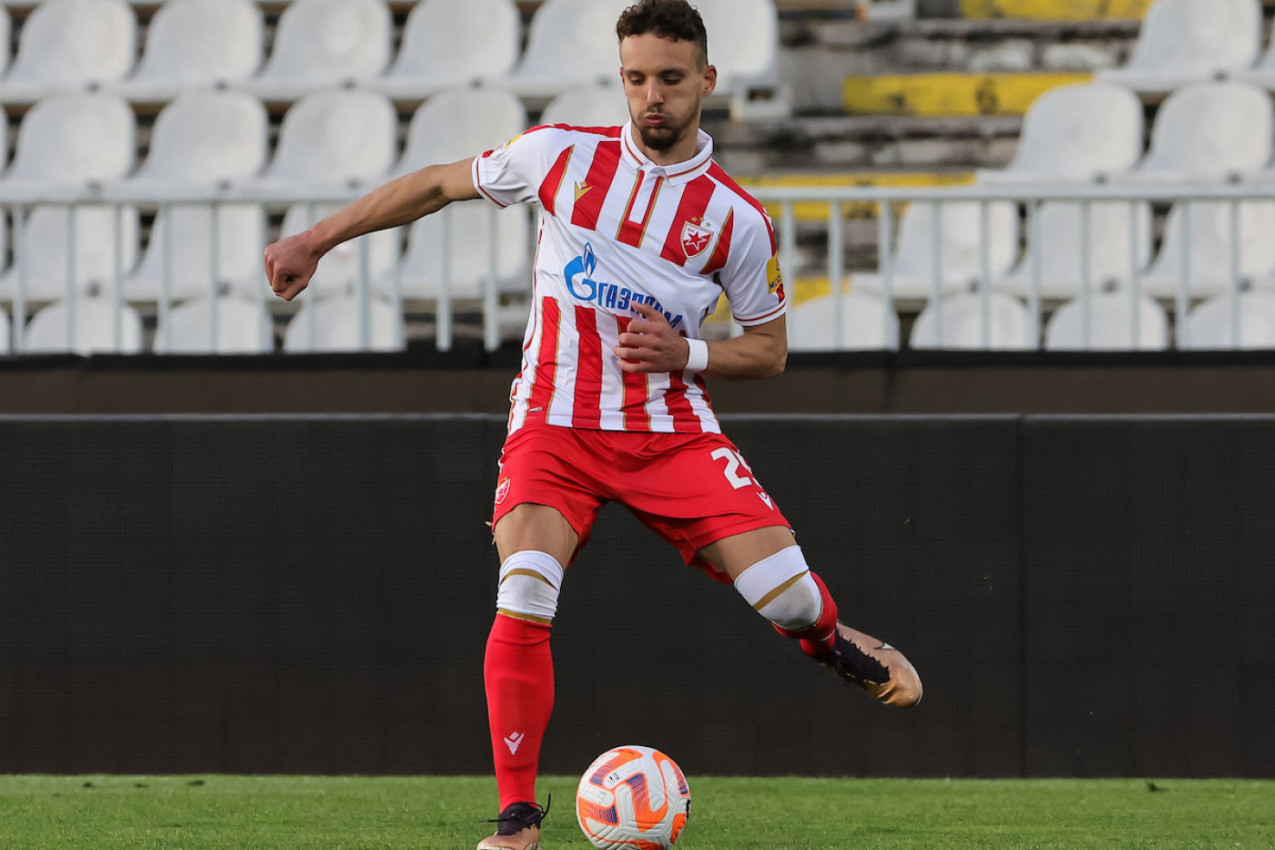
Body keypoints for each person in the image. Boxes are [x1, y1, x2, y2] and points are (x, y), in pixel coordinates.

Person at [264, 1, 922, 847]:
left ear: (706, 81)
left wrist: (687, 352)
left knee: (790, 599)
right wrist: (317, 239)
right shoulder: (559, 156)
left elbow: (769, 352)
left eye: (670, 79)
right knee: (524, 588)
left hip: (668, 432)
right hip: (554, 424)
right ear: (621, 78)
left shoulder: (736, 218)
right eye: (636, 78)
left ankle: (826, 640)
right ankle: (515, 819)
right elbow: (433, 184)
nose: (652, 96)